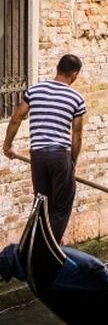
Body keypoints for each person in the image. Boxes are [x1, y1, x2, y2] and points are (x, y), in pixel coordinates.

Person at [3, 54, 86, 243]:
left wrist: (7, 145)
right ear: (75, 74)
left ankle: (36, 243)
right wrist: (72, 161)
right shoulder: (76, 98)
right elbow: (77, 136)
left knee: (41, 203)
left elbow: (16, 118)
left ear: (57, 68)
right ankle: (49, 247)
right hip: (59, 156)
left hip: (38, 156)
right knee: (62, 206)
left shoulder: (34, 91)